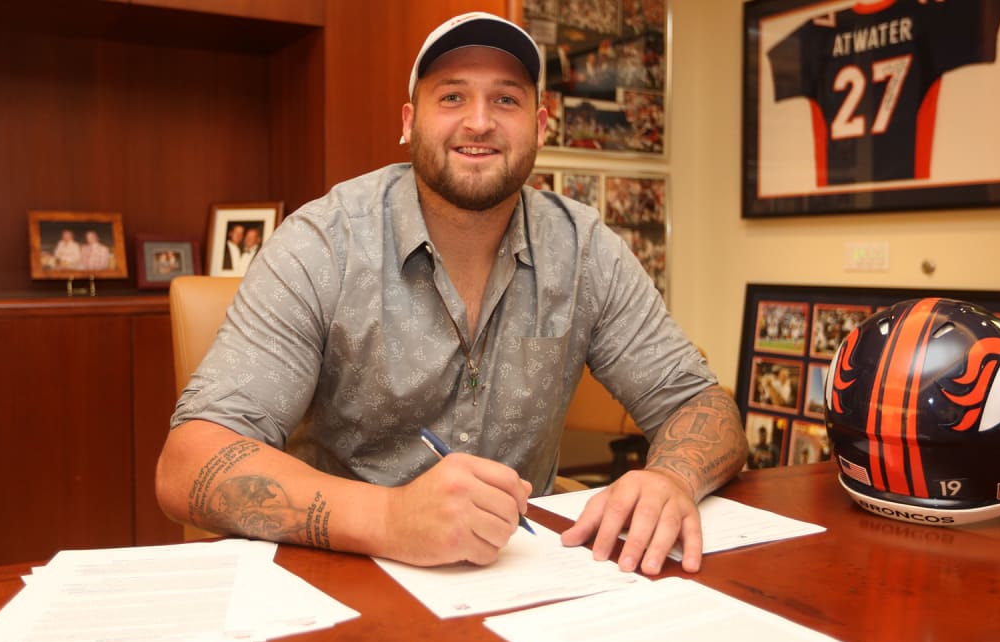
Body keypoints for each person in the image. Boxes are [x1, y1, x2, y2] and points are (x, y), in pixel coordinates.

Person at [156, 12, 746, 575]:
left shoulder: (584, 248)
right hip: (343, 579)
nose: (480, 121)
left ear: (540, 128)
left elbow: (702, 406)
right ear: (410, 122)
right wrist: (390, 518)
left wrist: (672, 478)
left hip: (523, 577)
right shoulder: (323, 243)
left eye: (507, 99)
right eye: (452, 96)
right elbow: (188, 464)